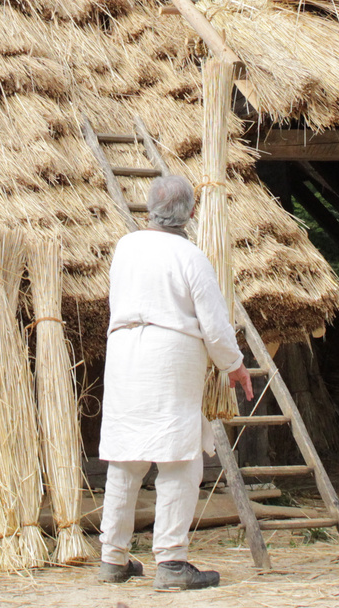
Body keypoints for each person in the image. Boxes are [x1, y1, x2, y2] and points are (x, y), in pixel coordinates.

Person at [96, 174, 254, 591]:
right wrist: (234, 365)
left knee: (126, 459)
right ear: (191, 213)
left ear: (150, 208)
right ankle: (170, 563)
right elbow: (215, 325)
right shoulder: (191, 256)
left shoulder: (125, 247)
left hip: (126, 355)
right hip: (170, 358)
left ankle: (112, 558)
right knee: (180, 461)